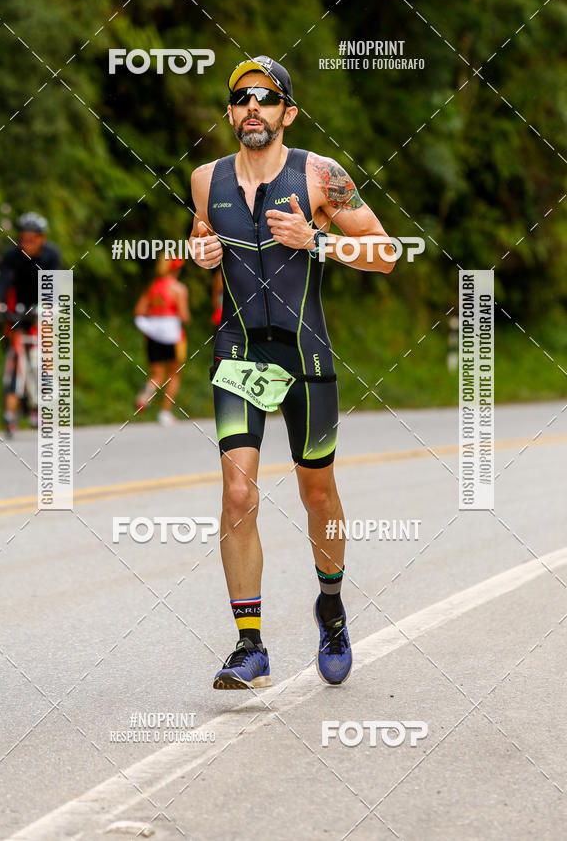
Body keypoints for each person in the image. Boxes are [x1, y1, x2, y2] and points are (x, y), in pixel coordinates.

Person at [189, 55, 395, 690]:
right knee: (237, 493)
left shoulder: (322, 176)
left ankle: (330, 608)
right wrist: (197, 252)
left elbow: (386, 253)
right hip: (241, 352)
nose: (254, 107)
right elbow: (203, 239)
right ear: (230, 113)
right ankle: (250, 645)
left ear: (288, 112)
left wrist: (318, 241)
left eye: (267, 98)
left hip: (305, 356)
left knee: (317, 493)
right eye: (242, 98)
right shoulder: (204, 179)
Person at [0, 212, 61, 434]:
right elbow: (4, 280)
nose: (26, 244)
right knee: (15, 354)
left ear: (42, 238)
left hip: (43, 304)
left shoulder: (51, 256)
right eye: (23, 238)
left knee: (42, 355)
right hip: (19, 308)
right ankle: (10, 412)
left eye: (32, 239)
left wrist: (47, 307)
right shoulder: (12, 256)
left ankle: (42, 404)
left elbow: (55, 286)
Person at [134, 256, 190, 426]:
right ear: (176, 269)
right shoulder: (178, 289)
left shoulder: (153, 287)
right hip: (173, 336)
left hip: (152, 335)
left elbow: (139, 310)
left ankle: (145, 396)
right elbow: (184, 316)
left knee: (157, 374)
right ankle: (165, 413)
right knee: (175, 374)